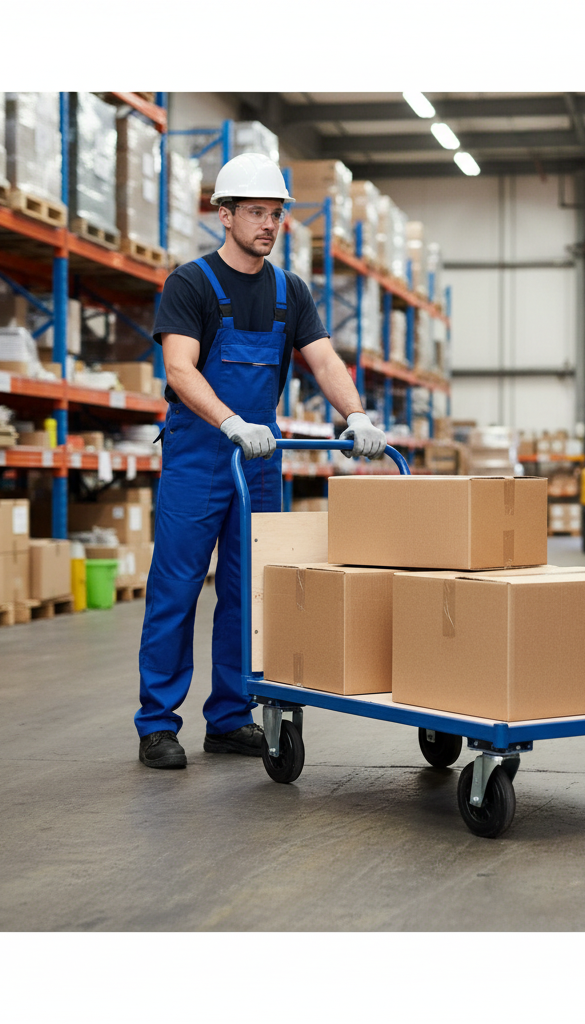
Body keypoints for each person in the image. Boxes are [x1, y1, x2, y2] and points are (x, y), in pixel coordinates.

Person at [135, 152, 387, 769]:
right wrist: (228, 421)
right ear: (224, 215)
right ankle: (157, 725)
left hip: (260, 459)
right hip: (201, 457)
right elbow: (179, 368)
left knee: (249, 593)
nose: (269, 224)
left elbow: (324, 361)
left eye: (276, 214)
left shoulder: (289, 291)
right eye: (256, 212)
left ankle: (229, 716)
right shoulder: (190, 284)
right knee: (177, 588)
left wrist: (355, 414)